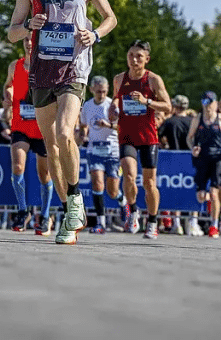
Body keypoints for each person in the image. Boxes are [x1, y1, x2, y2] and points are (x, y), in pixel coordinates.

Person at [7, 0, 117, 245]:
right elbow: (11, 31)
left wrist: (94, 34)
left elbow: (110, 18)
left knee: (64, 132)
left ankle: (75, 202)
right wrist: (28, 24)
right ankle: (70, 204)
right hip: (41, 71)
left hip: (74, 67)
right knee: (52, 148)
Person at [111, 40, 172, 239]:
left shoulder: (153, 80)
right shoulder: (119, 79)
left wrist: (146, 101)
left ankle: (153, 221)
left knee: (149, 183)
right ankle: (134, 210)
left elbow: (168, 106)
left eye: (139, 56)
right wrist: (113, 107)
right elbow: (115, 99)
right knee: (128, 175)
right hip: (126, 135)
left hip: (148, 137)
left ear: (147, 59)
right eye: (131, 55)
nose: (134, 60)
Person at [3, 36, 55, 235]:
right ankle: (23, 211)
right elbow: (8, 85)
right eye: (26, 39)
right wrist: (7, 93)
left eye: (33, 39)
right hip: (20, 125)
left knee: (45, 175)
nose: (29, 43)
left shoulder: (47, 65)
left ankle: (44, 215)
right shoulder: (14, 65)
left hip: (42, 127)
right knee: (17, 166)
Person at [78, 75, 124, 234]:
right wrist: (83, 134)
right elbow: (83, 125)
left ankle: (122, 201)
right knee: (97, 183)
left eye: (104, 92)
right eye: (98, 92)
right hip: (94, 149)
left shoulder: (112, 106)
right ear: (92, 90)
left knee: (112, 191)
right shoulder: (87, 106)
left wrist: (108, 124)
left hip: (112, 150)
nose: (102, 95)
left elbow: (122, 128)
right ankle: (101, 222)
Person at [187, 91, 221, 238]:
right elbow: (189, 138)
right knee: (201, 196)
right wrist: (193, 147)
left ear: (216, 103)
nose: (207, 106)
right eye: (204, 102)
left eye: (210, 102)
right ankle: (208, 217)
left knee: (213, 193)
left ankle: (214, 225)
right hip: (202, 159)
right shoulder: (198, 118)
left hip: (217, 159)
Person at [158, 94, 197, 235]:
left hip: (173, 157)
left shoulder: (169, 121)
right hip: (190, 158)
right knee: (192, 189)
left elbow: (158, 135)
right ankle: (193, 222)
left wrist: (164, 144)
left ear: (174, 106)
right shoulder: (193, 121)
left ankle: (176, 223)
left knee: (176, 190)